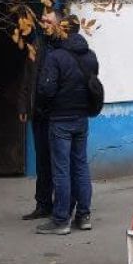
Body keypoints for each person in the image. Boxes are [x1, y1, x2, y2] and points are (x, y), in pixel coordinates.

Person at [34, 13, 98, 235]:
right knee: (80, 167)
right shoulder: (90, 56)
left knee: (61, 169)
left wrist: (43, 106)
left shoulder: (57, 57)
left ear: (63, 31)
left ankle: (61, 219)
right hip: (81, 118)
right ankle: (84, 215)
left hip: (60, 119)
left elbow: (46, 90)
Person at [18, 30, 53, 222]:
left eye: (49, 19)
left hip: (56, 115)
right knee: (42, 161)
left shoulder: (61, 45)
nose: (45, 22)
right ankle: (43, 204)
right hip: (38, 112)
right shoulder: (37, 44)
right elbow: (27, 76)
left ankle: (64, 205)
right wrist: (23, 104)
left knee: (59, 162)